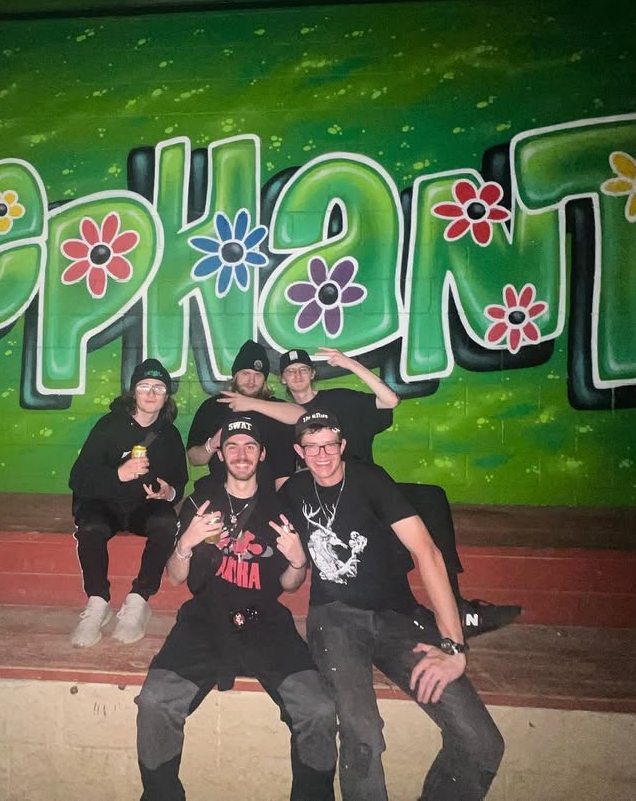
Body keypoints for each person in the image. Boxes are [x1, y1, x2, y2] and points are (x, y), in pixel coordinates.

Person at [279, 410, 504, 800]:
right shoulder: (293, 492)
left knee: (482, 742)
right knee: (362, 734)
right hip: (335, 620)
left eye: (329, 444)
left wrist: (453, 645)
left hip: (399, 617)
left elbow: (427, 552)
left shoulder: (370, 480)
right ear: (299, 452)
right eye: (311, 447)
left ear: (343, 445)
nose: (322, 455)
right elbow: (251, 528)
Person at [136, 416, 338, 800]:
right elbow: (175, 577)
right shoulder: (199, 502)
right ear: (221, 455)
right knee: (155, 702)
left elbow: (289, 585)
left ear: (262, 454)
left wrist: (298, 562)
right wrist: (186, 543)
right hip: (205, 618)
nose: (241, 454)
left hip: (264, 620)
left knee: (318, 709)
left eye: (249, 446)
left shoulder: (283, 507)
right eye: (232, 446)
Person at [278, 346, 521, 638]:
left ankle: (455, 604)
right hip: (334, 502)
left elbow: (390, 400)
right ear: (282, 379)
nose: (297, 375)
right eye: (290, 371)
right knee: (380, 538)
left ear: (313, 373)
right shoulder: (285, 418)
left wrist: (349, 363)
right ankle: (408, 614)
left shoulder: (340, 398)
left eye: (303, 369)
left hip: (370, 487)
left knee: (431, 498)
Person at [67, 358, 189, 647]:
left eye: (159, 388)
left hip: (141, 507)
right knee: (91, 527)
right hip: (104, 503)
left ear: (167, 396)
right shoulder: (109, 426)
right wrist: (118, 475)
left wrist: (168, 493)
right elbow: (78, 478)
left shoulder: (170, 434)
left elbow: (179, 484)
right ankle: (98, 602)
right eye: (144, 386)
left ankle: (139, 600)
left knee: (166, 522)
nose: (151, 393)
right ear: (133, 391)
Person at [186, 339, 304, 490]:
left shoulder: (275, 407)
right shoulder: (213, 406)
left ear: (264, 379)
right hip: (222, 493)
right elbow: (194, 459)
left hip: (270, 494)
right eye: (246, 373)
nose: (251, 381)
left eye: (258, 375)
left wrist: (251, 403)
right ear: (235, 375)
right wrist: (212, 444)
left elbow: (301, 415)